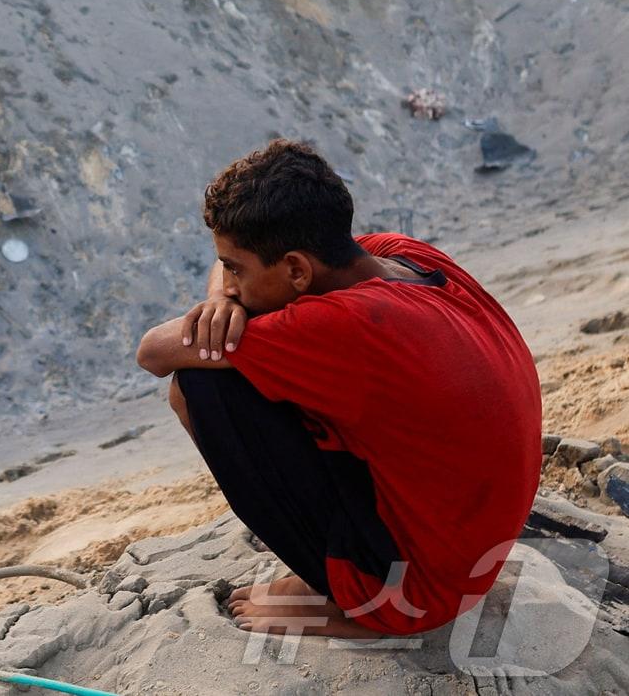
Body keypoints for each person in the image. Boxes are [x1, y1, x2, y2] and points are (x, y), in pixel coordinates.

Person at [135, 140, 539, 640]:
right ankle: (348, 566)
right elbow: (230, 271)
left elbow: (154, 352)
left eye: (238, 270)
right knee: (238, 359)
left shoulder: (344, 325)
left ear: (298, 270)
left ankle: (354, 604)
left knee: (200, 382)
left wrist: (221, 311)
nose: (230, 283)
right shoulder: (401, 255)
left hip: (417, 595)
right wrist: (225, 296)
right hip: (471, 552)